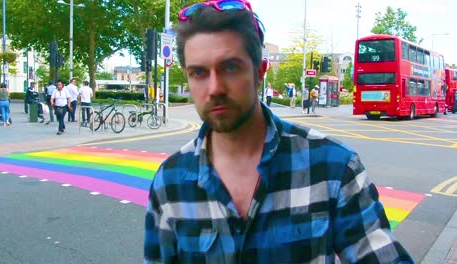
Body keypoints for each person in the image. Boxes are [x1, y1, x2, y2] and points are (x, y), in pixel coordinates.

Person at [144, 1, 413, 263]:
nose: (214, 88)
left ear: (260, 72)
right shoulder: (170, 181)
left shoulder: (333, 167)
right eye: (199, 72)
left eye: (230, 67)